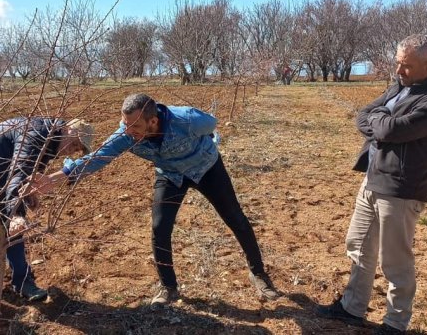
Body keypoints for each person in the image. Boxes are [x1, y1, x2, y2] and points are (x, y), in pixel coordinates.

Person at [25, 94, 280, 306]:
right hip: (170, 176)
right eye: (125, 124)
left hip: (206, 168)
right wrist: (58, 176)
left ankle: (259, 275)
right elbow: (99, 158)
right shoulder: (125, 135)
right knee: (160, 228)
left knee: (236, 218)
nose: (128, 131)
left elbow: (211, 124)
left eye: (135, 127)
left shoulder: (188, 120)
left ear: (153, 121)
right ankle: (168, 287)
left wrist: (210, 142)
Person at [316, 35, 427, 334]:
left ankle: (395, 322)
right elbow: (364, 117)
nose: (398, 70)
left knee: (395, 260)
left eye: (405, 65)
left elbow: (390, 129)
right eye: (397, 62)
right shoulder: (401, 86)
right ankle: (352, 308)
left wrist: (380, 123)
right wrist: (381, 123)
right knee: (358, 246)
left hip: (402, 189)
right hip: (373, 177)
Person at [0, 117, 93, 302]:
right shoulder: (35, 134)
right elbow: (19, 171)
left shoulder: (50, 142)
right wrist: (17, 214)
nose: (72, 150)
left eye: (77, 149)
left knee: (14, 233)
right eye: (73, 143)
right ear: (66, 129)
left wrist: (29, 195)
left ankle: (24, 282)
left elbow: (27, 175)